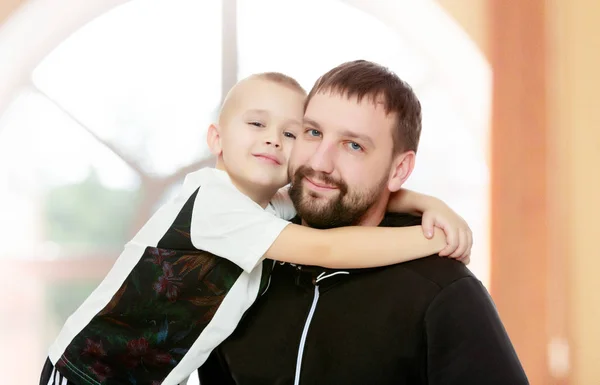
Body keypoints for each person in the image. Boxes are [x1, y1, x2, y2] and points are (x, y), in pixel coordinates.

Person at [39, 72, 472, 385]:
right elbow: (332, 249)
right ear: (217, 138)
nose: (273, 140)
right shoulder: (213, 205)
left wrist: (425, 201)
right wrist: (427, 236)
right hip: (88, 372)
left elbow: (341, 192)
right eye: (256, 124)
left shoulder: (266, 208)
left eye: (291, 132)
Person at [198, 61, 529, 385]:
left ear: (399, 170)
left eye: (353, 145)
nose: (319, 162)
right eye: (312, 132)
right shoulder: (239, 264)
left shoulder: (443, 292)